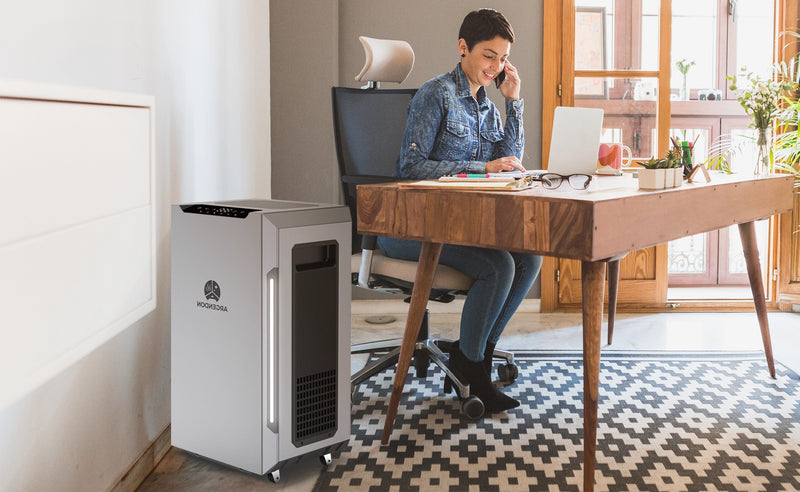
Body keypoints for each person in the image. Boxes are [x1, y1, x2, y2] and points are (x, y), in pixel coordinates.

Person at [378, 8, 542, 414]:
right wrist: (479, 167)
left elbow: (509, 161)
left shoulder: (486, 106)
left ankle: (475, 355)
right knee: (499, 267)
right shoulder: (436, 95)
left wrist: (514, 103)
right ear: (463, 48)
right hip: (410, 226)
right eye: (489, 55)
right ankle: (472, 369)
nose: (496, 67)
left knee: (528, 257)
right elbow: (410, 169)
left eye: (503, 59)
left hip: (455, 226)